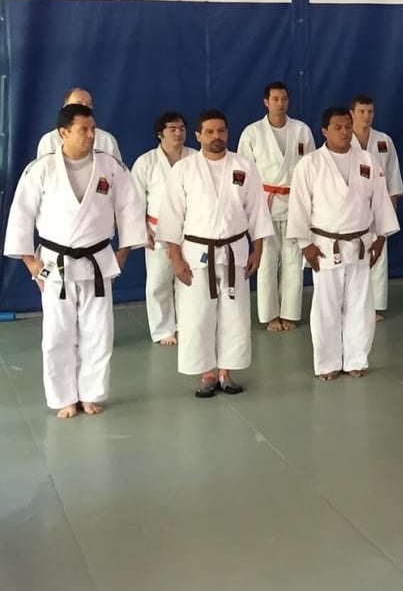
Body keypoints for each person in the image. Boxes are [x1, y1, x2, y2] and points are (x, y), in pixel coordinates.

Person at [5, 104, 143, 417]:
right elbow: (21, 216)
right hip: (55, 264)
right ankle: (63, 397)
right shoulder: (41, 169)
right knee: (58, 334)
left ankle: (91, 393)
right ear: (63, 133)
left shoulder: (110, 166)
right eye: (84, 129)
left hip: (98, 260)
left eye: (93, 128)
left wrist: (121, 253)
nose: (91, 135)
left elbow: (130, 210)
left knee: (99, 332)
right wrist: (31, 263)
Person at [158, 110, 274, 398]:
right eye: (209, 132)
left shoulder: (243, 166)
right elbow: (172, 216)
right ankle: (207, 373)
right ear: (198, 136)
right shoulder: (184, 169)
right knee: (198, 315)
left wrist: (258, 248)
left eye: (221, 130)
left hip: (235, 251)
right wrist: (175, 258)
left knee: (235, 315)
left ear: (227, 133)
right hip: (196, 254)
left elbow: (257, 211)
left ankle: (226, 372)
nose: (216, 136)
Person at [288, 107, 400, 380]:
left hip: (361, 243)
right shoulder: (310, 164)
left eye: (348, 126)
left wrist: (381, 237)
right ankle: (327, 363)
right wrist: (305, 244)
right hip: (325, 246)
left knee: (360, 306)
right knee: (326, 307)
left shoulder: (367, 160)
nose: (345, 132)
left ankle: (356, 359)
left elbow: (380, 201)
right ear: (324, 131)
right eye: (337, 127)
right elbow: (299, 206)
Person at [237, 81, 316, 331]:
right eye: (275, 99)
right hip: (265, 203)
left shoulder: (302, 130)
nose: (280, 103)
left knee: (293, 260)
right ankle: (270, 315)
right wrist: (246, 207)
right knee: (267, 261)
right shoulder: (252, 133)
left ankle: (290, 313)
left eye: (284, 99)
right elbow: (243, 173)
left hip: (295, 202)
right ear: (266, 102)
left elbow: (312, 168)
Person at [132, 112, 196, 346]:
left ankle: (186, 325)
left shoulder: (195, 158)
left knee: (189, 280)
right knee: (158, 283)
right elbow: (134, 199)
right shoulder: (146, 162)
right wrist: (142, 228)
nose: (178, 133)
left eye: (182, 128)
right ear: (160, 134)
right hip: (157, 229)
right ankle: (162, 330)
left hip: (191, 229)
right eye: (172, 129)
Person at [350, 94, 403, 320]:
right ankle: (352, 305)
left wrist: (391, 207)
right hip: (352, 208)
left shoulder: (384, 140)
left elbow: (392, 175)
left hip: (379, 205)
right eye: (361, 111)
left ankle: (374, 306)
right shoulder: (344, 139)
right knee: (353, 256)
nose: (366, 116)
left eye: (370, 111)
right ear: (352, 113)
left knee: (378, 255)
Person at [35, 88, 123, 161]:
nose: (84, 108)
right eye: (78, 104)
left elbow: (118, 173)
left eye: (88, 104)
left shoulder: (107, 140)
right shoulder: (49, 141)